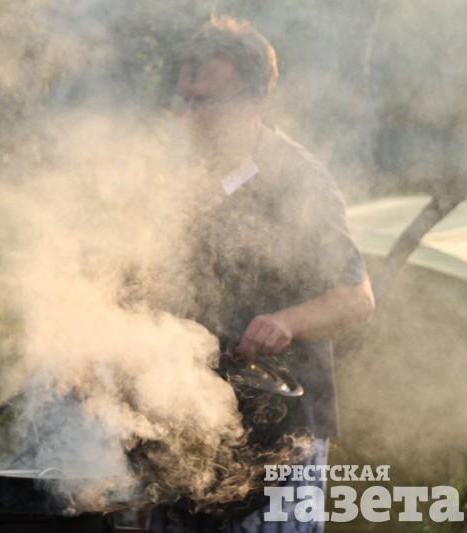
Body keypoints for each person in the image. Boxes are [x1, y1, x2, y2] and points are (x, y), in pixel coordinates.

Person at [149, 16, 375, 532]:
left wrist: (286, 322)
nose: (190, 116)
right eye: (185, 100)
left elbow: (357, 297)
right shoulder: (179, 176)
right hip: (190, 425)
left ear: (255, 100)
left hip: (282, 435)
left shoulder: (299, 181)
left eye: (207, 102)